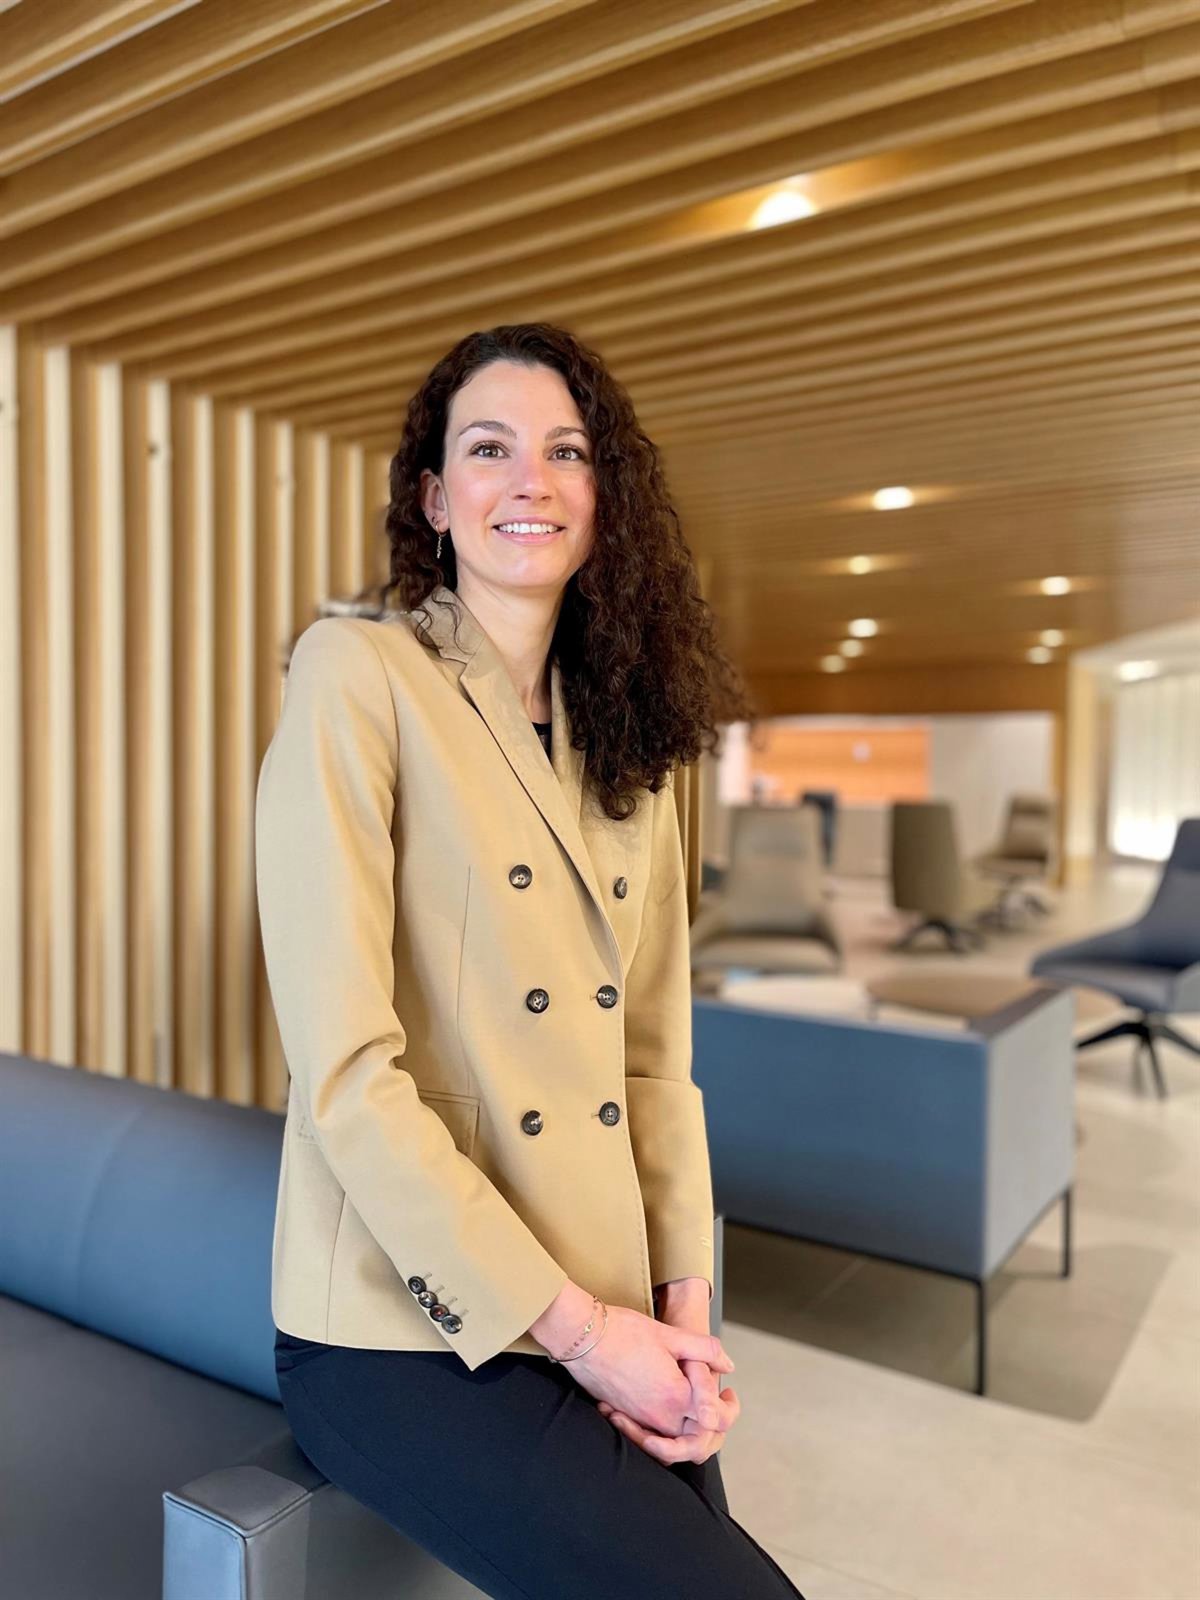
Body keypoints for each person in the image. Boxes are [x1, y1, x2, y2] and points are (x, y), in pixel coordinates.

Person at [256, 322, 803, 1598]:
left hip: (606, 1299)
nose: (532, 480)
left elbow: (653, 1061)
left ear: (605, 498)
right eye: (490, 448)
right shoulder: (358, 674)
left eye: (568, 451)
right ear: (436, 499)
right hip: (404, 1320)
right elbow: (346, 1079)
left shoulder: (635, 744)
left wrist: (684, 1316)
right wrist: (585, 1335)